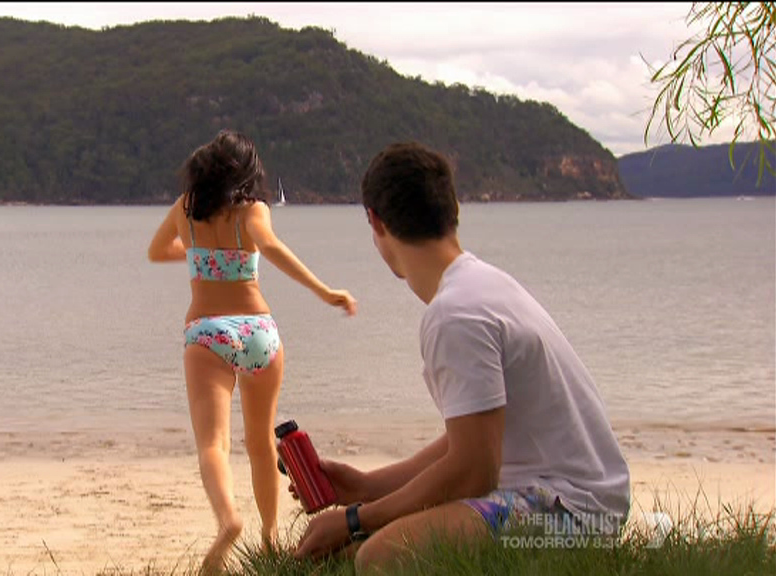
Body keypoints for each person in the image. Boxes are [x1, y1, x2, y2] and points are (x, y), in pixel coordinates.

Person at [292, 141, 631, 573]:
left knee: (380, 557)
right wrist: (366, 486)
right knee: (354, 552)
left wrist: (356, 519)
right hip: (584, 500)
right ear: (452, 209)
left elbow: (475, 471)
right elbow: (469, 442)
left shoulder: (454, 314)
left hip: (571, 515)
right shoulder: (484, 283)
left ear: (375, 222)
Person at [147, 129, 357, 573]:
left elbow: (156, 251)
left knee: (214, 443)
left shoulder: (185, 208)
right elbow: (272, 247)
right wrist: (326, 292)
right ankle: (269, 536)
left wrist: (198, 254)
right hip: (259, 330)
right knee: (261, 442)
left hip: (207, 332)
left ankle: (228, 521)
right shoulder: (252, 210)